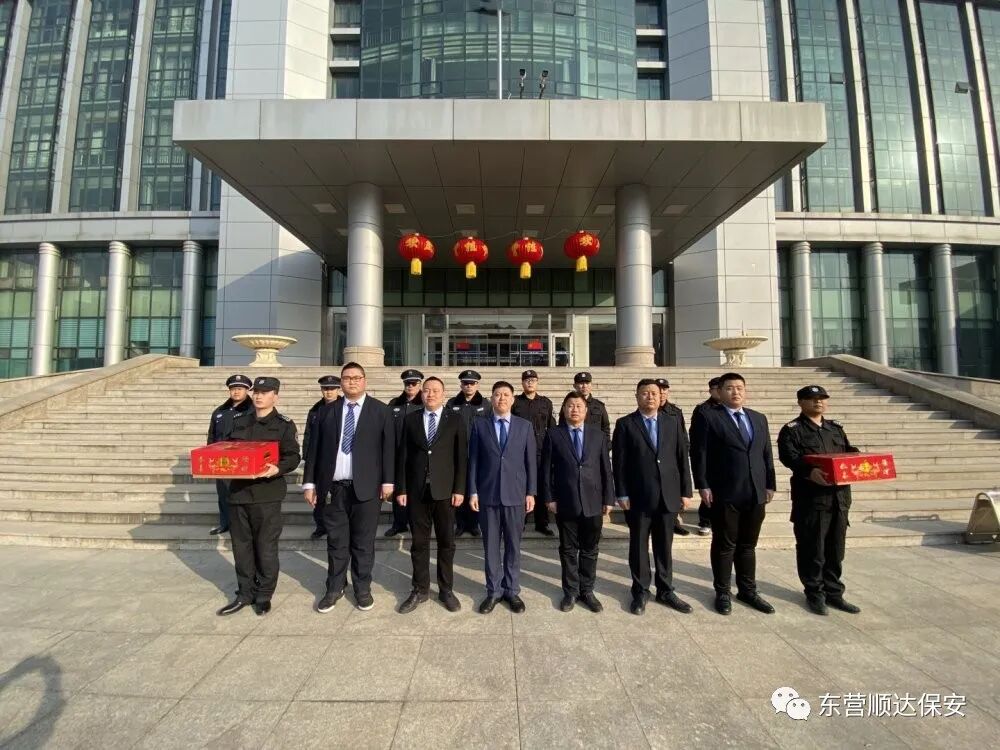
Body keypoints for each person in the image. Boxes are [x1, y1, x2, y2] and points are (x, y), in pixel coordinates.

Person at [302, 362, 394, 613]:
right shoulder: (326, 412)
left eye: (356, 377)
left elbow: (388, 449)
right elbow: (314, 450)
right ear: (341, 382)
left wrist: (388, 481)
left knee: (363, 543)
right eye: (347, 378)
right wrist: (309, 483)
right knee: (336, 541)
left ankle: (362, 588)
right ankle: (334, 586)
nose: (351, 381)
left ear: (365, 381)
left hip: (367, 490)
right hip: (334, 489)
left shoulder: (381, 411)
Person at [690, 372, 777, 616]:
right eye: (729, 388)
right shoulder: (709, 416)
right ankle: (723, 592)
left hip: (755, 492)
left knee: (748, 545)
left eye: (739, 387)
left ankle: (748, 590)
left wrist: (770, 484)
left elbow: (766, 453)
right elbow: (699, 453)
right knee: (724, 545)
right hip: (724, 492)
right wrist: (703, 485)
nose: (735, 392)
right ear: (720, 392)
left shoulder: (758, 418)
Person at [218, 376, 300, 617]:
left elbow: (293, 456)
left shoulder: (284, 425)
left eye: (264, 392)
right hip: (238, 493)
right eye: (256, 392)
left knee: (265, 548)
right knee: (241, 547)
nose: (258, 396)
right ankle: (244, 593)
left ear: (276, 396)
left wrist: (277, 468)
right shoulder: (239, 421)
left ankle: (264, 594)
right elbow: (227, 450)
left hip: (267, 494)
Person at [777, 385, 862, 616]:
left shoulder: (835, 428)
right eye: (812, 398)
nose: (818, 402)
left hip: (839, 498)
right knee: (812, 549)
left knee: (836, 549)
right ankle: (814, 593)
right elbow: (789, 457)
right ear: (801, 402)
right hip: (811, 499)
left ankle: (834, 593)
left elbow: (847, 450)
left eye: (822, 398)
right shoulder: (792, 430)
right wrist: (808, 472)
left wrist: (857, 456)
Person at [613, 379, 694, 616]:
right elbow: (619, 462)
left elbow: (682, 457)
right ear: (637, 396)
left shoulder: (672, 422)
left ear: (661, 397)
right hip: (638, 496)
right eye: (645, 393)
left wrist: (686, 491)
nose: (650, 397)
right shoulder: (626, 424)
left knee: (664, 546)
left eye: (654, 393)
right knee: (638, 546)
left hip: (668, 495)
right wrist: (622, 492)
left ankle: (666, 590)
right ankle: (640, 591)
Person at [395, 376, 467, 613]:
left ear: (444, 394)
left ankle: (446, 589)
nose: (430, 394)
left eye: (435, 390)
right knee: (419, 543)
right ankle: (420, 589)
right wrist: (402, 489)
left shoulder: (455, 419)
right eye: (426, 390)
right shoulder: (410, 419)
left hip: (445, 492)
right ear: (421, 393)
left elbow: (461, 458)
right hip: (417, 492)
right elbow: (403, 457)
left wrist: (459, 489)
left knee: (447, 543)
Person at [540, 391, 614, 612]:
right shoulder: (554, 434)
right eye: (570, 406)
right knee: (568, 550)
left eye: (578, 406)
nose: (574, 409)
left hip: (593, 501)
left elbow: (606, 469)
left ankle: (587, 590)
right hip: (565, 500)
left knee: (590, 549)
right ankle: (570, 592)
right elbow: (546, 469)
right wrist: (549, 497)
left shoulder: (597, 435)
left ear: (586, 410)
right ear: (563, 410)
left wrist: (608, 498)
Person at [468, 381, 537, 614]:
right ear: (492, 398)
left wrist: (531, 492)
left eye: (506, 394)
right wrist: (473, 491)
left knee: (513, 546)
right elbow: (473, 461)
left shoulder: (524, 426)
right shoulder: (480, 425)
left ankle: (512, 590)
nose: (502, 398)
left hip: (516, 495)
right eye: (497, 394)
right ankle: (494, 591)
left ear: (513, 399)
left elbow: (531, 462)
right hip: (488, 495)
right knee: (490, 547)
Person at [206, 374, 254, 536]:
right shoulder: (220, 411)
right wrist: (210, 457)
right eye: (233, 389)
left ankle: (245, 525)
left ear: (247, 390)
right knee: (224, 494)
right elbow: (212, 437)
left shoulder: (253, 410)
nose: (236, 392)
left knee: (243, 494)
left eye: (240, 389)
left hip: (243, 460)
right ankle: (225, 523)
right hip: (222, 460)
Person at [512, 369, 557, 536]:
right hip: (519, 451)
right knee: (521, 487)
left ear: (537, 382)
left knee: (541, 486)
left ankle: (542, 523)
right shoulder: (515, 402)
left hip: (541, 451)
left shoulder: (545, 402)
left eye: (533, 380)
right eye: (527, 380)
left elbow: (551, 427)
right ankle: (520, 521)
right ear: (522, 382)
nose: (530, 382)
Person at [446, 369, 488, 537]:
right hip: (457, 453)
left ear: (477, 385)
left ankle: (474, 523)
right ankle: (461, 523)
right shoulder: (452, 404)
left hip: (478, 453)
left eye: (472, 383)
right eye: (465, 383)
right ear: (461, 385)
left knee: (475, 488)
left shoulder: (486, 404)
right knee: (459, 488)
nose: (469, 386)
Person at [386, 369, 424, 538]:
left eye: (414, 383)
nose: (410, 386)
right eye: (407, 383)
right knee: (399, 489)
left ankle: (417, 523)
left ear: (420, 384)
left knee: (417, 489)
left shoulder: (425, 402)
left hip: (417, 455)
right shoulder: (394, 403)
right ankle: (399, 523)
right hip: (397, 454)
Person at [303, 375, 340, 540]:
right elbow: (308, 435)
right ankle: (321, 525)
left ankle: (337, 525)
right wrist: (307, 456)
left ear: (338, 389)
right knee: (320, 496)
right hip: (319, 460)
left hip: (339, 459)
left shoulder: (345, 407)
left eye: (332, 389)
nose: (329, 392)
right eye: (325, 389)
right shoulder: (315, 410)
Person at [656, 377, 691, 537]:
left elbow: (682, 435)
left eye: (664, 389)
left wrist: (683, 450)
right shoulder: (650, 409)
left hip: (672, 457)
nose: (662, 392)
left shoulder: (675, 412)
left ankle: (675, 521)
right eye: (659, 389)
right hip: (656, 456)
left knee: (673, 490)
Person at [690, 376, 723, 536]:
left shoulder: (729, 407)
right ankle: (705, 521)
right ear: (711, 391)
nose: (719, 392)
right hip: (709, 457)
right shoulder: (703, 409)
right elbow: (696, 436)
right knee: (709, 492)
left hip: (726, 457)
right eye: (716, 389)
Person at [560, 371, 611, 443]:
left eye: (587, 383)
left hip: (594, 444)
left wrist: (606, 446)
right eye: (581, 383)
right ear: (574, 386)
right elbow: (562, 425)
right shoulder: (568, 404)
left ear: (591, 385)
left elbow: (605, 428)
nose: (584, 386)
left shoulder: (599, 405)